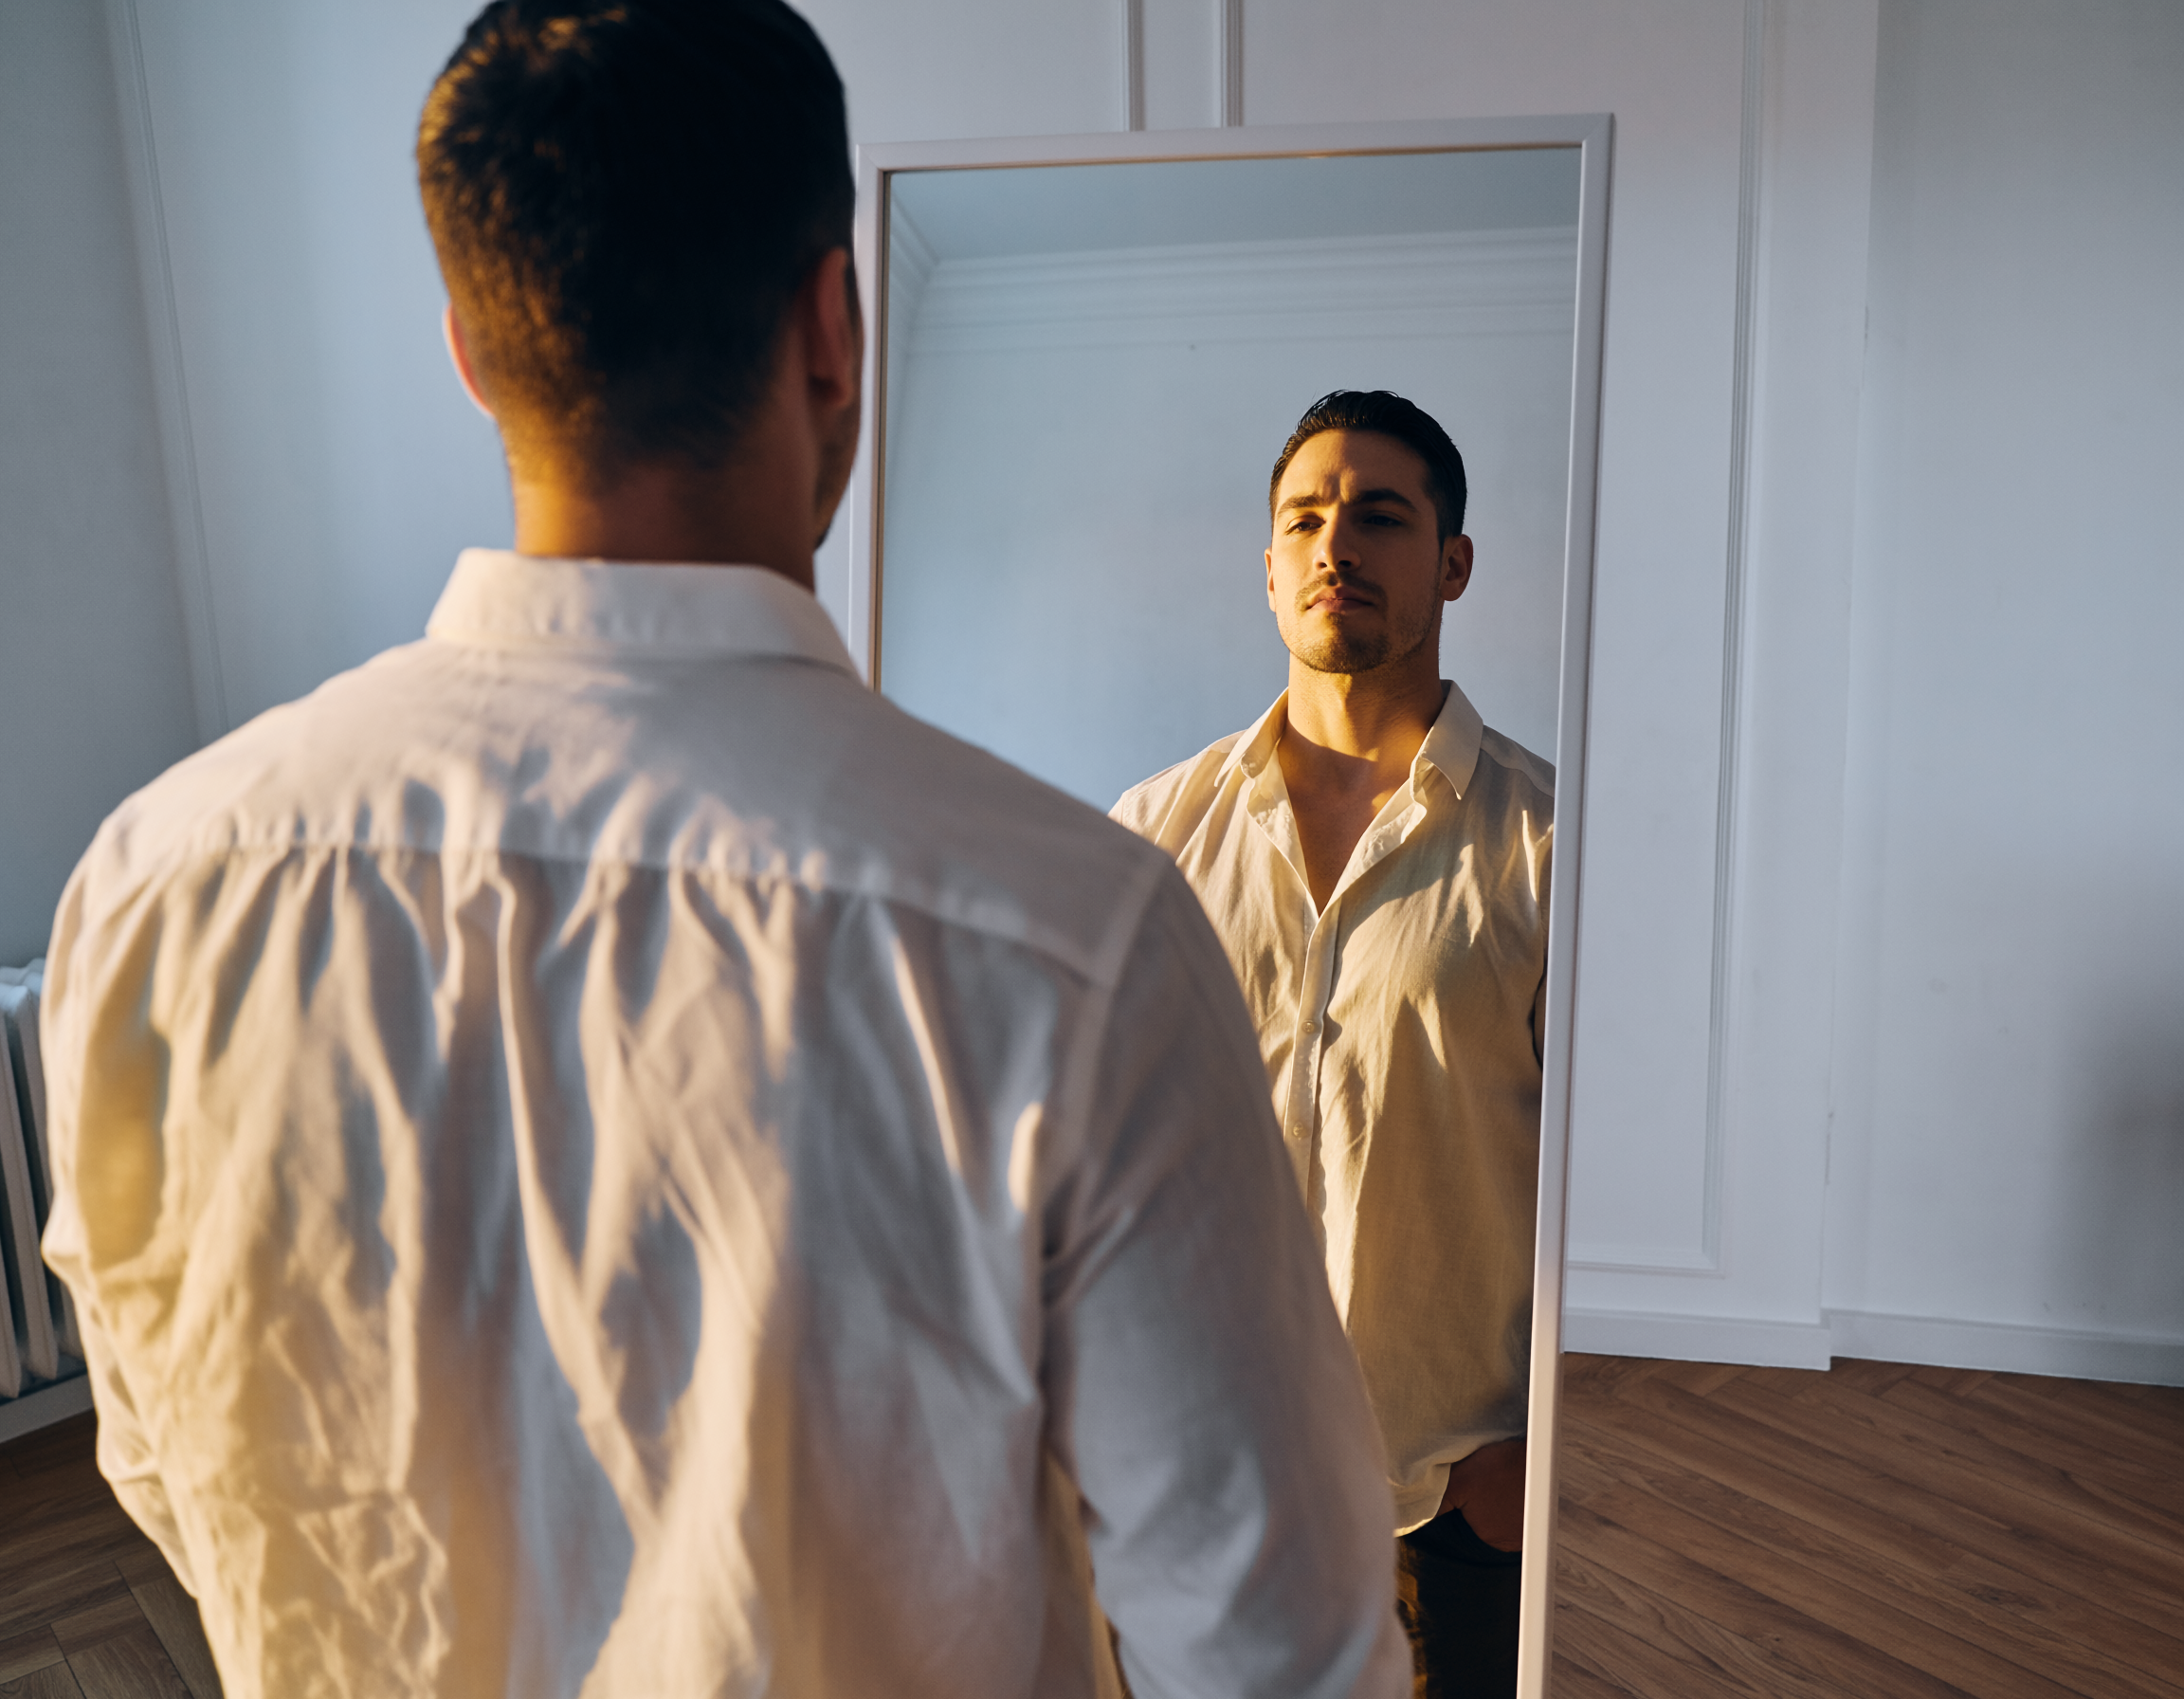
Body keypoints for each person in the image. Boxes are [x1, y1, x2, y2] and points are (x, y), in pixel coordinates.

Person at [38, 9, 1411, 1695]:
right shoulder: (1073, 943)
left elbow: (169, 1462)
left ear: (472, 344)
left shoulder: (147, 896)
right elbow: (1278, 1649)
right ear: (832, 327)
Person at [1112, 391, 1553, 1699]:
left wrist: (1534, 1447)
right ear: (1267, 569)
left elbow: (1608, 1179)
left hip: (1462, 1500)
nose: (1334, 545)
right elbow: (1103, 1148)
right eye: (1304, 518)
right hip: (1203, 1480)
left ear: (1452, 563)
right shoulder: (1153, 833)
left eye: (1379, 515)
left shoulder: (1545, 846)